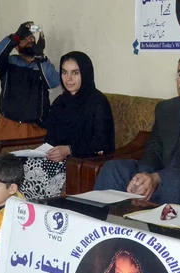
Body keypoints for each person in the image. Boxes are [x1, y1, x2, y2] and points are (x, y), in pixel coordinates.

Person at [94, 51, 180, 205]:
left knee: (174, 182)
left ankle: (161, 229)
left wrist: (157, 177)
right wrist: (144, 176)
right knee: (113, 168)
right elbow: (154, 146)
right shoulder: (165, 108)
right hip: (159, 174)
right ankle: (99, 224)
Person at [20, 51, 115, 200]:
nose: (68, 79)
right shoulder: (60, 102)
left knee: (37, 175)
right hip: (55, 159)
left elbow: (102, 142)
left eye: (75, 73)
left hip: (80, 163)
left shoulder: (97, 102)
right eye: (64, 72)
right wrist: (47, 151)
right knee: (16, 169)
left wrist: (69, 150)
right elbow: (51, 137)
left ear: (85, 73)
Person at [0, 21, 60, 140]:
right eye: (24, 39)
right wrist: (15, 36)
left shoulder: (42, 64)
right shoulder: (8, 62)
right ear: (16, 46)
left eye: (32, 38)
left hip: (36, 128)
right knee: (3, 159)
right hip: (7, 127)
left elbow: (53, 82)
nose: (29, 41)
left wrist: (40, 56)